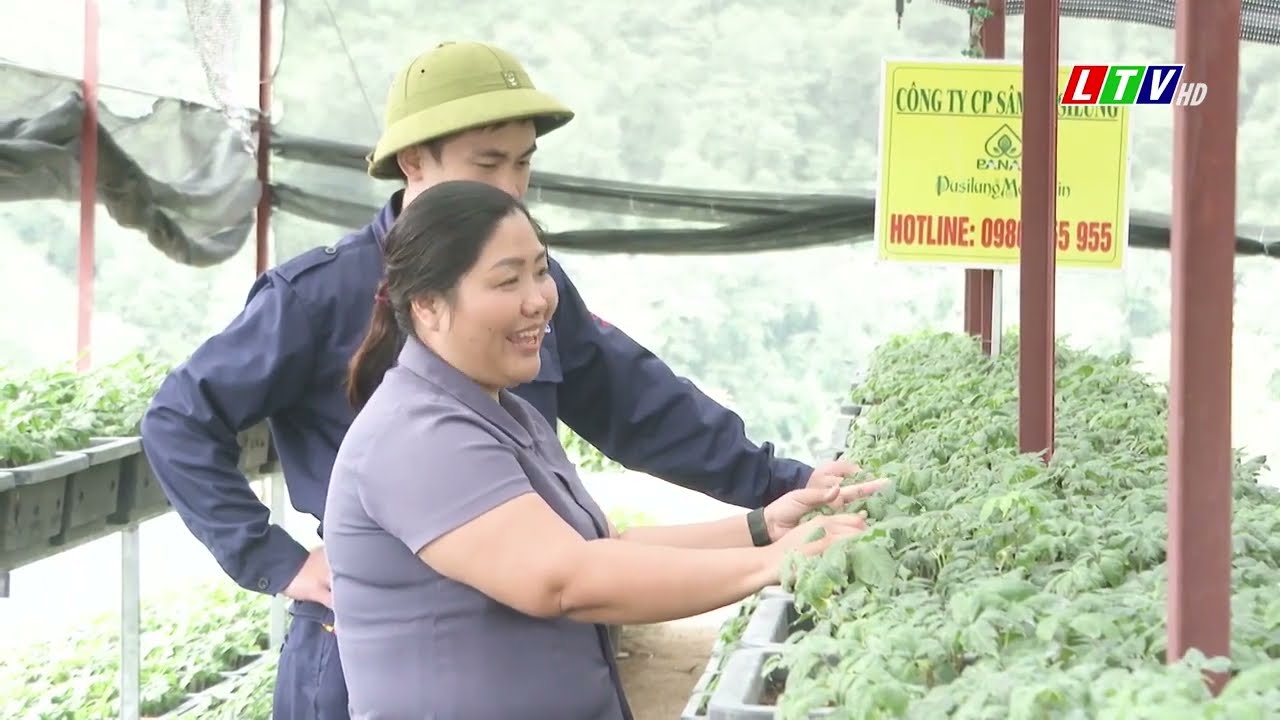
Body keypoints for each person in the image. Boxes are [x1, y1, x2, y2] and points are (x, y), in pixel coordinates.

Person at [139, 41, 871, 720]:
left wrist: (777, 496)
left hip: (516, 633)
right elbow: (178, 418)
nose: (511, 187)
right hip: (361, 644)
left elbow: (642, 408)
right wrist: (277, 560)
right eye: (488, 163)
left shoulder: (512, 356)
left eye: (523, 164)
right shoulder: (325, 306)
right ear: (414, 164)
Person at [325, 179, 878, 719]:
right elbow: (566, 579)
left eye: (541, 271)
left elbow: (604, 545)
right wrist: (769, 565)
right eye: (507, 281)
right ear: (427, 306)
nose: (538, 300)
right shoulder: (415, 435)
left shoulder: (504, 410)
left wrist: (762, 527)